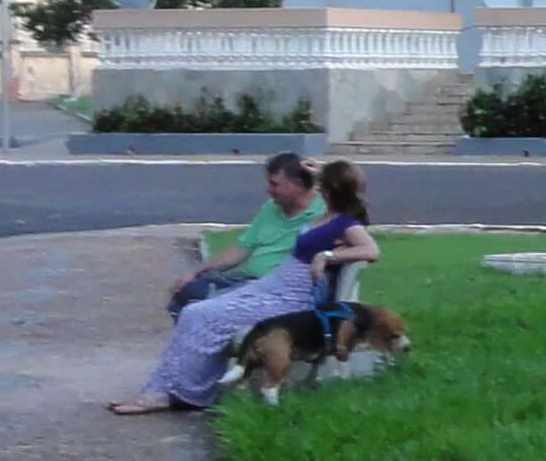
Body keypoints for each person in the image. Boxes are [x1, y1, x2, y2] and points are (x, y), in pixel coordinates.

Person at [113, 160, 380, 414]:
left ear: (331, 189)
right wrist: (321, 170)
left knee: (201, 315)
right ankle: (158, 389)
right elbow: (342, 180)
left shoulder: (346, 223)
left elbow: (371, 249)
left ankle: (182, 394)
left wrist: (328, 256)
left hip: (290, 298)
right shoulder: (328, 213)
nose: (317, 185)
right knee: (194, 311)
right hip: (272, 287)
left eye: (323, 183)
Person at [169, 152, 314, 314]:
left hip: (274, 288)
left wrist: (323, 173)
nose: (269, 190)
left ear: (298, 184)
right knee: (185, 289)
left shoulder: (324, 212)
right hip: (246, 280)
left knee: (199, 302)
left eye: (275, 184)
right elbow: (241, 249)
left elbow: (346, 198)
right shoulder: (271, 207)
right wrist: (194, 272)